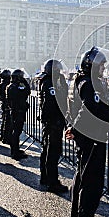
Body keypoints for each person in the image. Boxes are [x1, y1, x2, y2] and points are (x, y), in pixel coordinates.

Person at [65, 46, 109, 217]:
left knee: (83, 176)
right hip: (91, 137)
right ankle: (84, 216)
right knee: (91, 182)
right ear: (92, 65)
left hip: (90, 136)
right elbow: (89, 108)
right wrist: (75, 128)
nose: (103, 68)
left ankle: (79, 215)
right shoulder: (87, 83)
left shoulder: (83, 81)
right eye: (101, 65)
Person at [38, 59, 69, 193]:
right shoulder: (50, 82)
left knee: (47, 149)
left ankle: (45, 176)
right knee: (53, 151)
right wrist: (53, 120)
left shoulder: (50, 80)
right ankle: (52, 182)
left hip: (53, 121)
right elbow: (51, 103)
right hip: (53, 121)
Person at [7, 69, 31, 160]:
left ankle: (15, 150)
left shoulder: (11, 86)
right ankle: (15, 152)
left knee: (15, 131)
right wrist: (24, 81)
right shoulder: (16, 87)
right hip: (18, 111)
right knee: (16, 132)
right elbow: (27, 91)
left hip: (15, 111)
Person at [0, 69, 12, 144]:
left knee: (5, 121)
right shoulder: (6, 84)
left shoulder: (2, 83)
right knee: (7, 122)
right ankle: (6, 138)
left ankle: (3, 136)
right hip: (7, 105)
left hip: (4, 104)